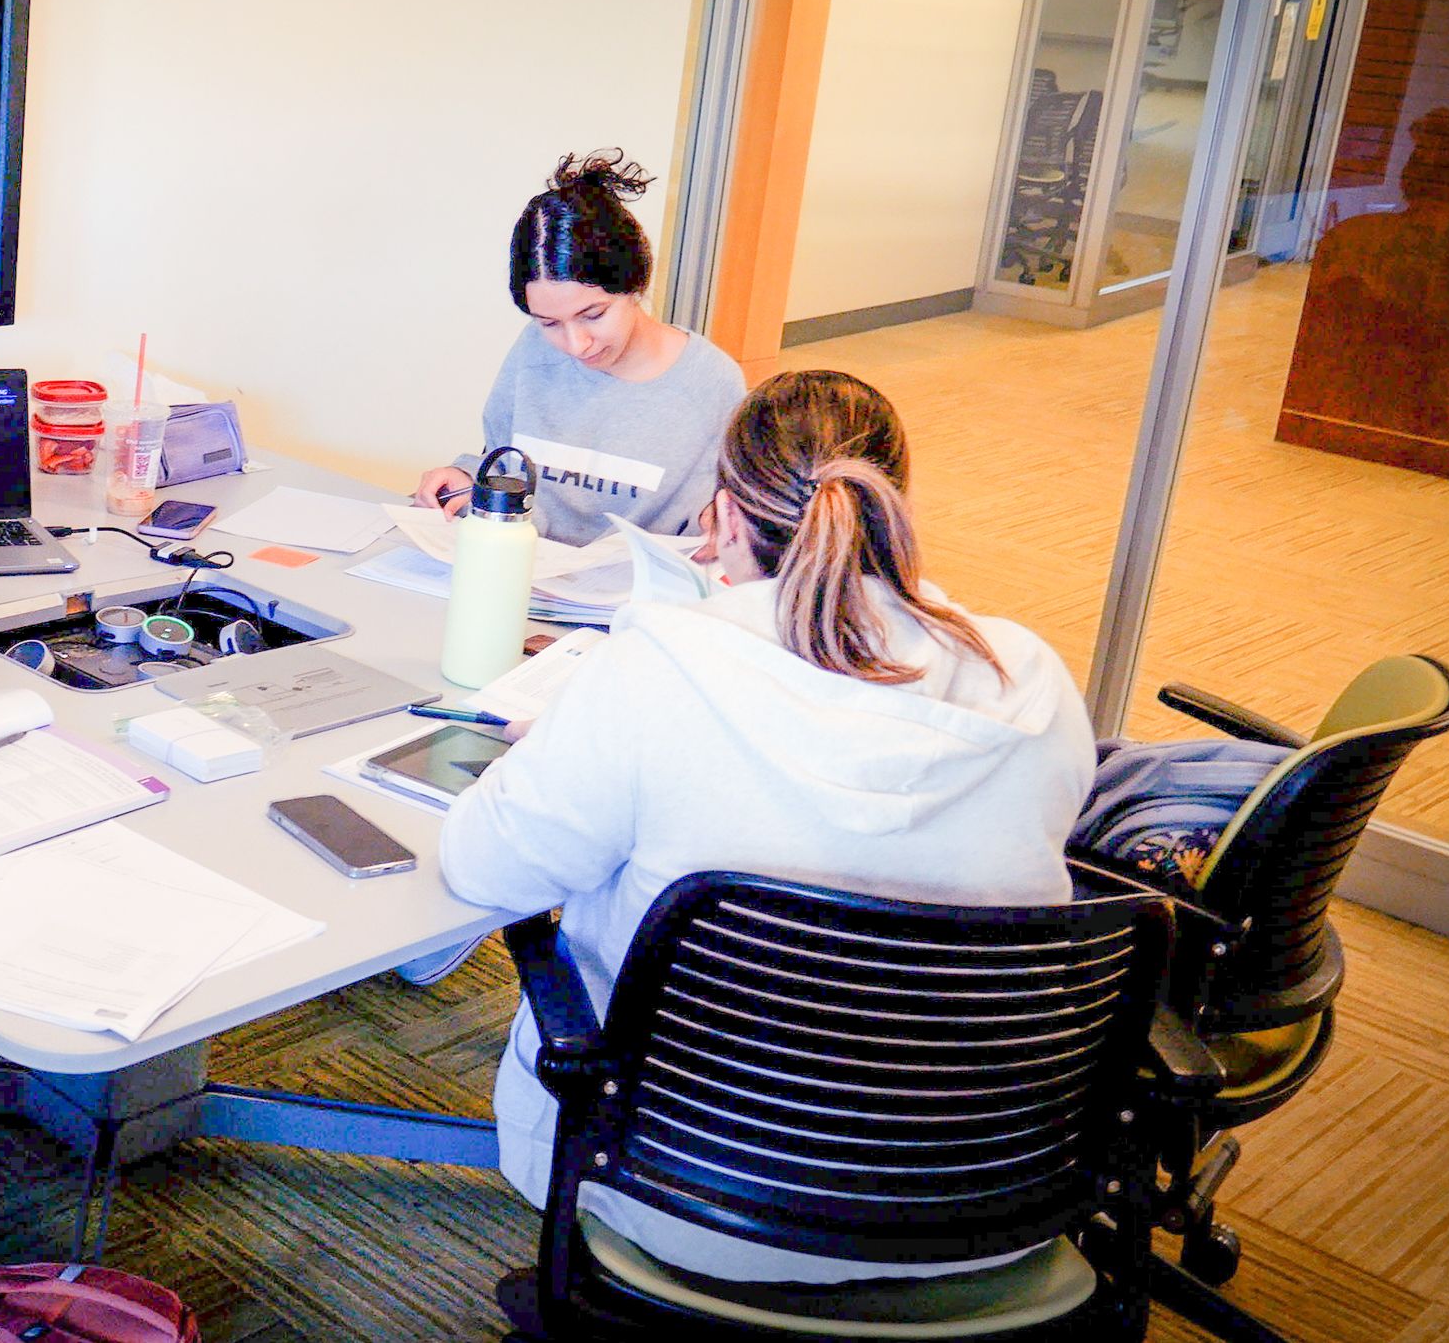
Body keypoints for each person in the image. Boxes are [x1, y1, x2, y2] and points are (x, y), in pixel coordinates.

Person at [438, 370, 1096, 1286]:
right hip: (983, 1184)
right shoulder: (1029, 674)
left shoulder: (661, 666)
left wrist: (557, 752)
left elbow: (481, 867)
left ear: (726, 519)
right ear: (888, 508)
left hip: (695, 1191)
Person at [413, 150, 747, 545]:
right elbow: (505, 461)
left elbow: (727, 522)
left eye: (593, 315)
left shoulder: (712, 384)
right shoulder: (533, 351)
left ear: (635, 285)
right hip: (522, 567)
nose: (575, 344)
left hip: (632, 594)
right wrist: (468, 478)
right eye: (549, 323)